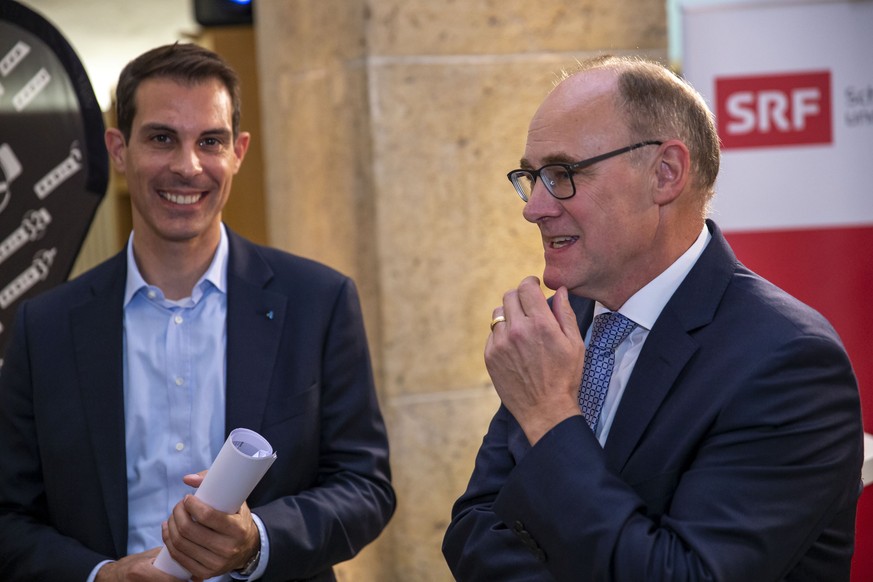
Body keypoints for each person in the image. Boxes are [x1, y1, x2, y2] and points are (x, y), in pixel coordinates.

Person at [442, 55, 863, 581]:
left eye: (563, 173)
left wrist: (550, 416)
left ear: (665, 173)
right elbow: (474, 530)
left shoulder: (789, 362)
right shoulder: (563, 322)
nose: (535, 207)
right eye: (532, 177)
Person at [0, 43, 395, 582]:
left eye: (210, 141)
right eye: (162, 138)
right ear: (118, 149)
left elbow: (364, 487)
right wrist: (102, 575)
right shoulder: (42, 328)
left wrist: (257, 542)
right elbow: (8, 516)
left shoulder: (319, 302)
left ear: (239, 151)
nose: (187, 167)